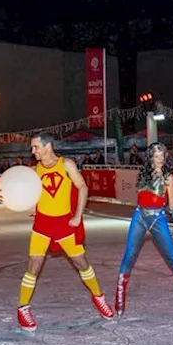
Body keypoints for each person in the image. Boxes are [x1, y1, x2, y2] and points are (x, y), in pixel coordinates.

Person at [15, 133, 114, 331]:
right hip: (42, 224)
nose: (32, 151)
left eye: (35, 147)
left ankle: (98, 297)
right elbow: (30, 195)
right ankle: (22, 308)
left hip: (64, 224)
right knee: (33, 265)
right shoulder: (34, 170)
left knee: (81, 263)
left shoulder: (66, 164)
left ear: (47, 146)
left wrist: (78, 215)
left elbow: (83, 187)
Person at [114, 142, 173, 315]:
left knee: (171, 258)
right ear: (150, 157)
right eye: (155, 155)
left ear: (166, 156)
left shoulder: (169, 178)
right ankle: (119, 296)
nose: (158, 159)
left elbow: (172, 204)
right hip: (139, 216)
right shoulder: (143, 174)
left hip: (158, 219)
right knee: (129, 255)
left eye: (161, 155)